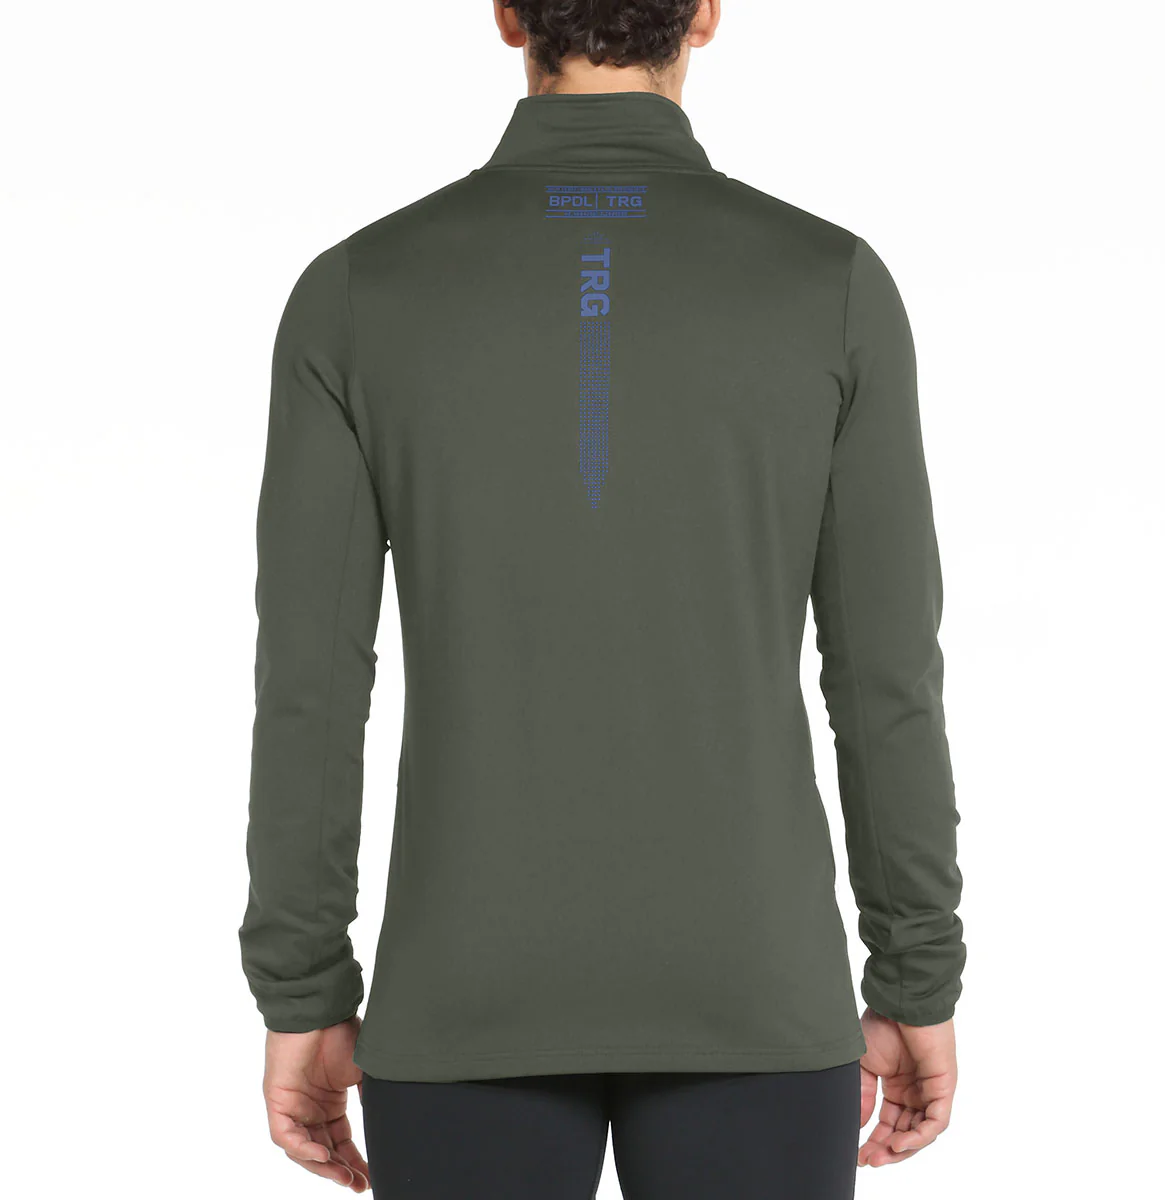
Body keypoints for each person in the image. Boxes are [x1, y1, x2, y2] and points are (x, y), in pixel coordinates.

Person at [239, 2, 965, 1196]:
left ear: (507, 14)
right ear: (707, 14)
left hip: (465, 995)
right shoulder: (828, 284)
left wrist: (303, 990)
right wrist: (916, 974)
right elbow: (887, 683)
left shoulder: (361, 292)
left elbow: (310, 692)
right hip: (756, 992)